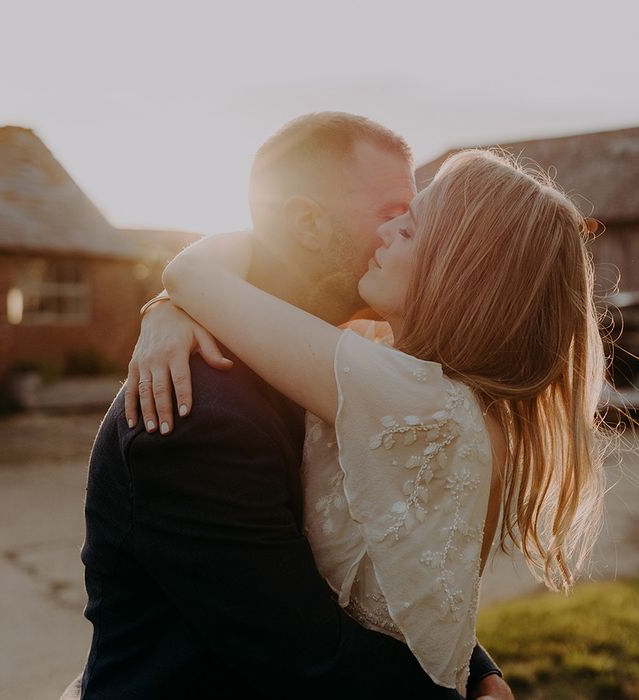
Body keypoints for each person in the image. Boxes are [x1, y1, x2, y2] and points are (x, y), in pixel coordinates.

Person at [126, 131, 609, 693]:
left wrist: (175, 300)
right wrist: (169, 311)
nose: (385, 231)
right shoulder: (438, 389)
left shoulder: (415, 398)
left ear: (456, 273)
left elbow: (192, 276)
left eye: (407, 227)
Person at [70, 113, 512, 700]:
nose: (404, 232)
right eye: (393, 213)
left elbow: (382, 562)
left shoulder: (350, 373)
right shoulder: (201, 411)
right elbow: (316, 667)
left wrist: (479, 668)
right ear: (306, 221)